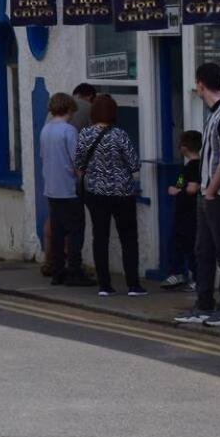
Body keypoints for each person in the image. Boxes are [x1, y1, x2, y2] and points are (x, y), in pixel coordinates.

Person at [75, 94, 143, 297]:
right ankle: (133, 285)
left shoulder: (85, 135)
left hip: (95, 193)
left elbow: (78, 163)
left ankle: (104, 285)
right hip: (122, 193)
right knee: (129, 239)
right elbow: (134, 164)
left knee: (100, 237)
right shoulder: (120, 135)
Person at [178, 63, 220, 326]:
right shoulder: (213, 114)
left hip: (218, 195)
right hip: (209, 194)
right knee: (203, 250)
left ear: (200, 85)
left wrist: (211, 190)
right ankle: (204, 305)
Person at [39, 92, 88, 286]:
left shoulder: (45, 129)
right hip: (68, 188)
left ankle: (58, 271)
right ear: (69, 109)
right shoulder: (69, 131)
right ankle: (75, 271)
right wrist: (83, 178)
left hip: (51, 188)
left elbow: (44, 157)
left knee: (58, 232)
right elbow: (77, 161)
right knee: (76, 231)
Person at [162, 129, 201, 292]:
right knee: (178, 244)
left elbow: (192, 188)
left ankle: (197, 278)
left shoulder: (193, 167)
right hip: (183, 212)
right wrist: (176, 188)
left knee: (190, 246)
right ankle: (177, 273)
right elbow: (180, 184)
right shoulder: (187, 168)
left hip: (189, 212)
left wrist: (177, 191)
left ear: (184, 148)